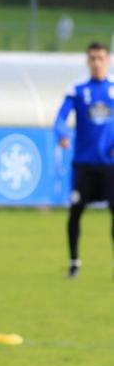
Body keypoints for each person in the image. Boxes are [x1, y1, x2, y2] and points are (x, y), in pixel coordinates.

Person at [54, 41, 114, 278]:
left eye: (100, 57)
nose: (97, 62)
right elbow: (60, 118)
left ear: (107, 60)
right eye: (92, 58)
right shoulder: (77, 90)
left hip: (110, 166)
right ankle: (74, 262)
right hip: (84, 165)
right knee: (76, 211)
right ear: (88, 61)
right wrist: (62, 133)